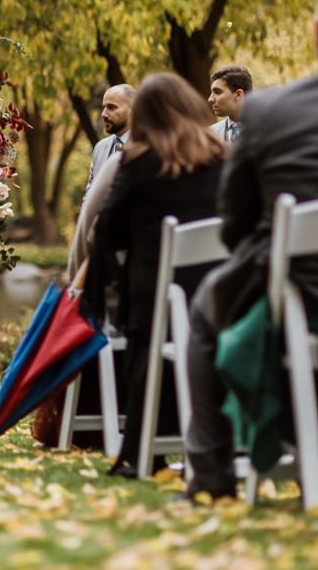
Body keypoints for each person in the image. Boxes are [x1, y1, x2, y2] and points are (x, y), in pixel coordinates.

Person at [183, 0, 318, 500]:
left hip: (294, 293)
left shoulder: (269, 112)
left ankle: (211, 473)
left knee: (206, 310)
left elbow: (234, 222)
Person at [88, 73, 227, 478]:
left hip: (154, 305)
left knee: (138, 318)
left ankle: (145, 447)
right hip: (216, 295)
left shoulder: (139, 162)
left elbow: (107, 231)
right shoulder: (222, 157)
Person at [86, 85, 135, 192]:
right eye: (104, 107)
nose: (103, 114)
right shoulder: (99, 148)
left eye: (111, 107)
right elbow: (89, 195)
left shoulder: (149, 148)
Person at [207, 66, 252, 142]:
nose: (210, 99)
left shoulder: (269, 131)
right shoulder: (211, 134)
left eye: (217, 92)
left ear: (238, 94)